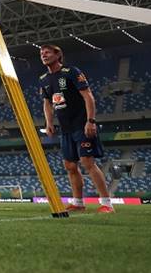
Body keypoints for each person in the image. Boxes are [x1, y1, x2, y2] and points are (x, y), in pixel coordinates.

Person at [39, 44, 114, 214]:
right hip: (65, 129)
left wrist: (91, 121)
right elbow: (47, 103)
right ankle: (78, 202)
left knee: (88, 162)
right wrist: (49, 123)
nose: (43, 55)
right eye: (41, 53)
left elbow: (88, 96)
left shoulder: (71, 71)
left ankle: (107, 204)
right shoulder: (43, 79)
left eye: (47, 52)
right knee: (70, 166)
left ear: (58, 55)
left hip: (81, 124)